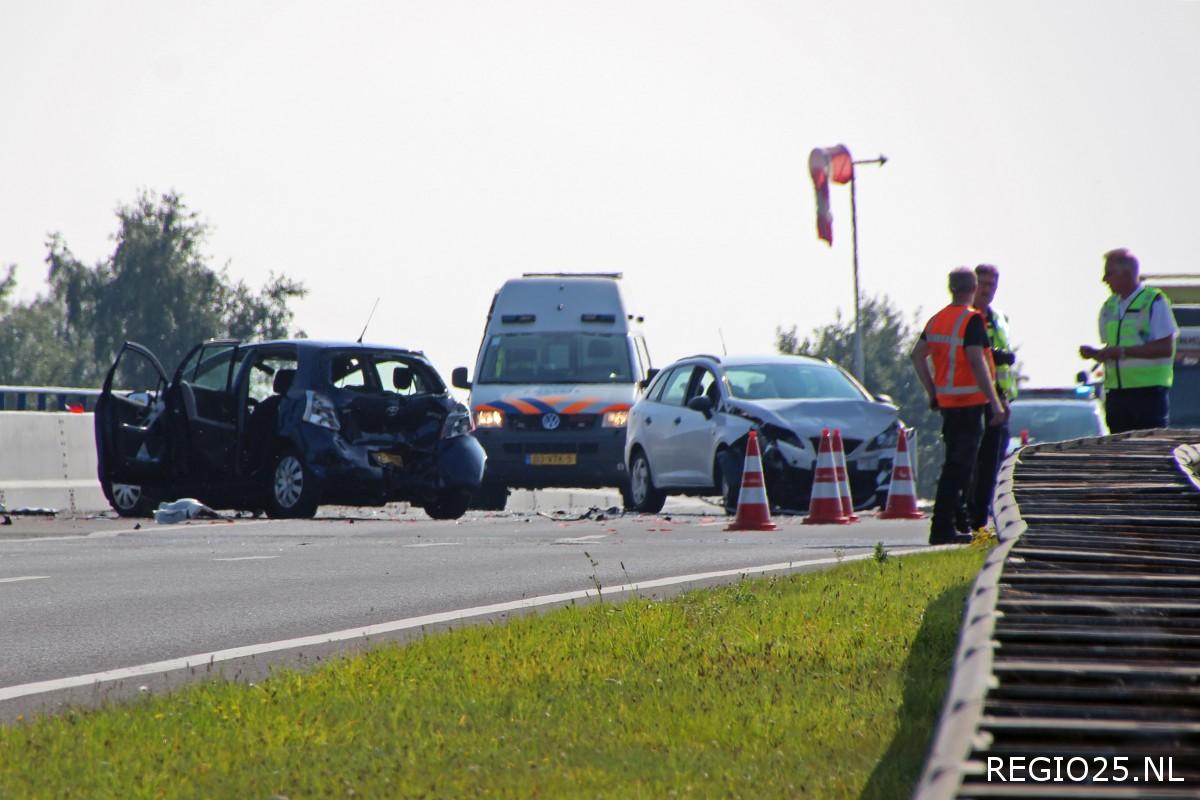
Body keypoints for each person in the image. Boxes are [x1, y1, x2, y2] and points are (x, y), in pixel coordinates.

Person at [911, 268, 1007, 545]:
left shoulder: (938, 320)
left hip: (949, 404)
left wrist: (933, 391)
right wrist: (995, 401)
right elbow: (977, 361)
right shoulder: (971, 320)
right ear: (974, 288)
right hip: (970, 403)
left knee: (956, 464)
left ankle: (954, 523)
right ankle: (943, 526)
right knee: (961, 467)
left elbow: (918, 356)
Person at [1079, 248, 1178, 433]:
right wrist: (1097, 354)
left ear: (1127, 273)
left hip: (1148, 394)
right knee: (1119, 453)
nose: (1104, 280)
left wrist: (1124, 352)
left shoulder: (1154, 301)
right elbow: (1113, 347)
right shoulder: (1109, 307)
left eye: (1109, 273)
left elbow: (1166, 348)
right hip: (1117, 394)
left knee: (1148, 452)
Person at [967, 264, 1017, 532]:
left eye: (991, 285)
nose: (986, 290)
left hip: (1000, 398)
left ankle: (982, 517)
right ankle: (975, 517)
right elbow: (975, 356)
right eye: (981, 284)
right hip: (975, 398)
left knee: (994, 462)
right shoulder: (968, 317)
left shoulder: (999, 318)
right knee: (978, 462)